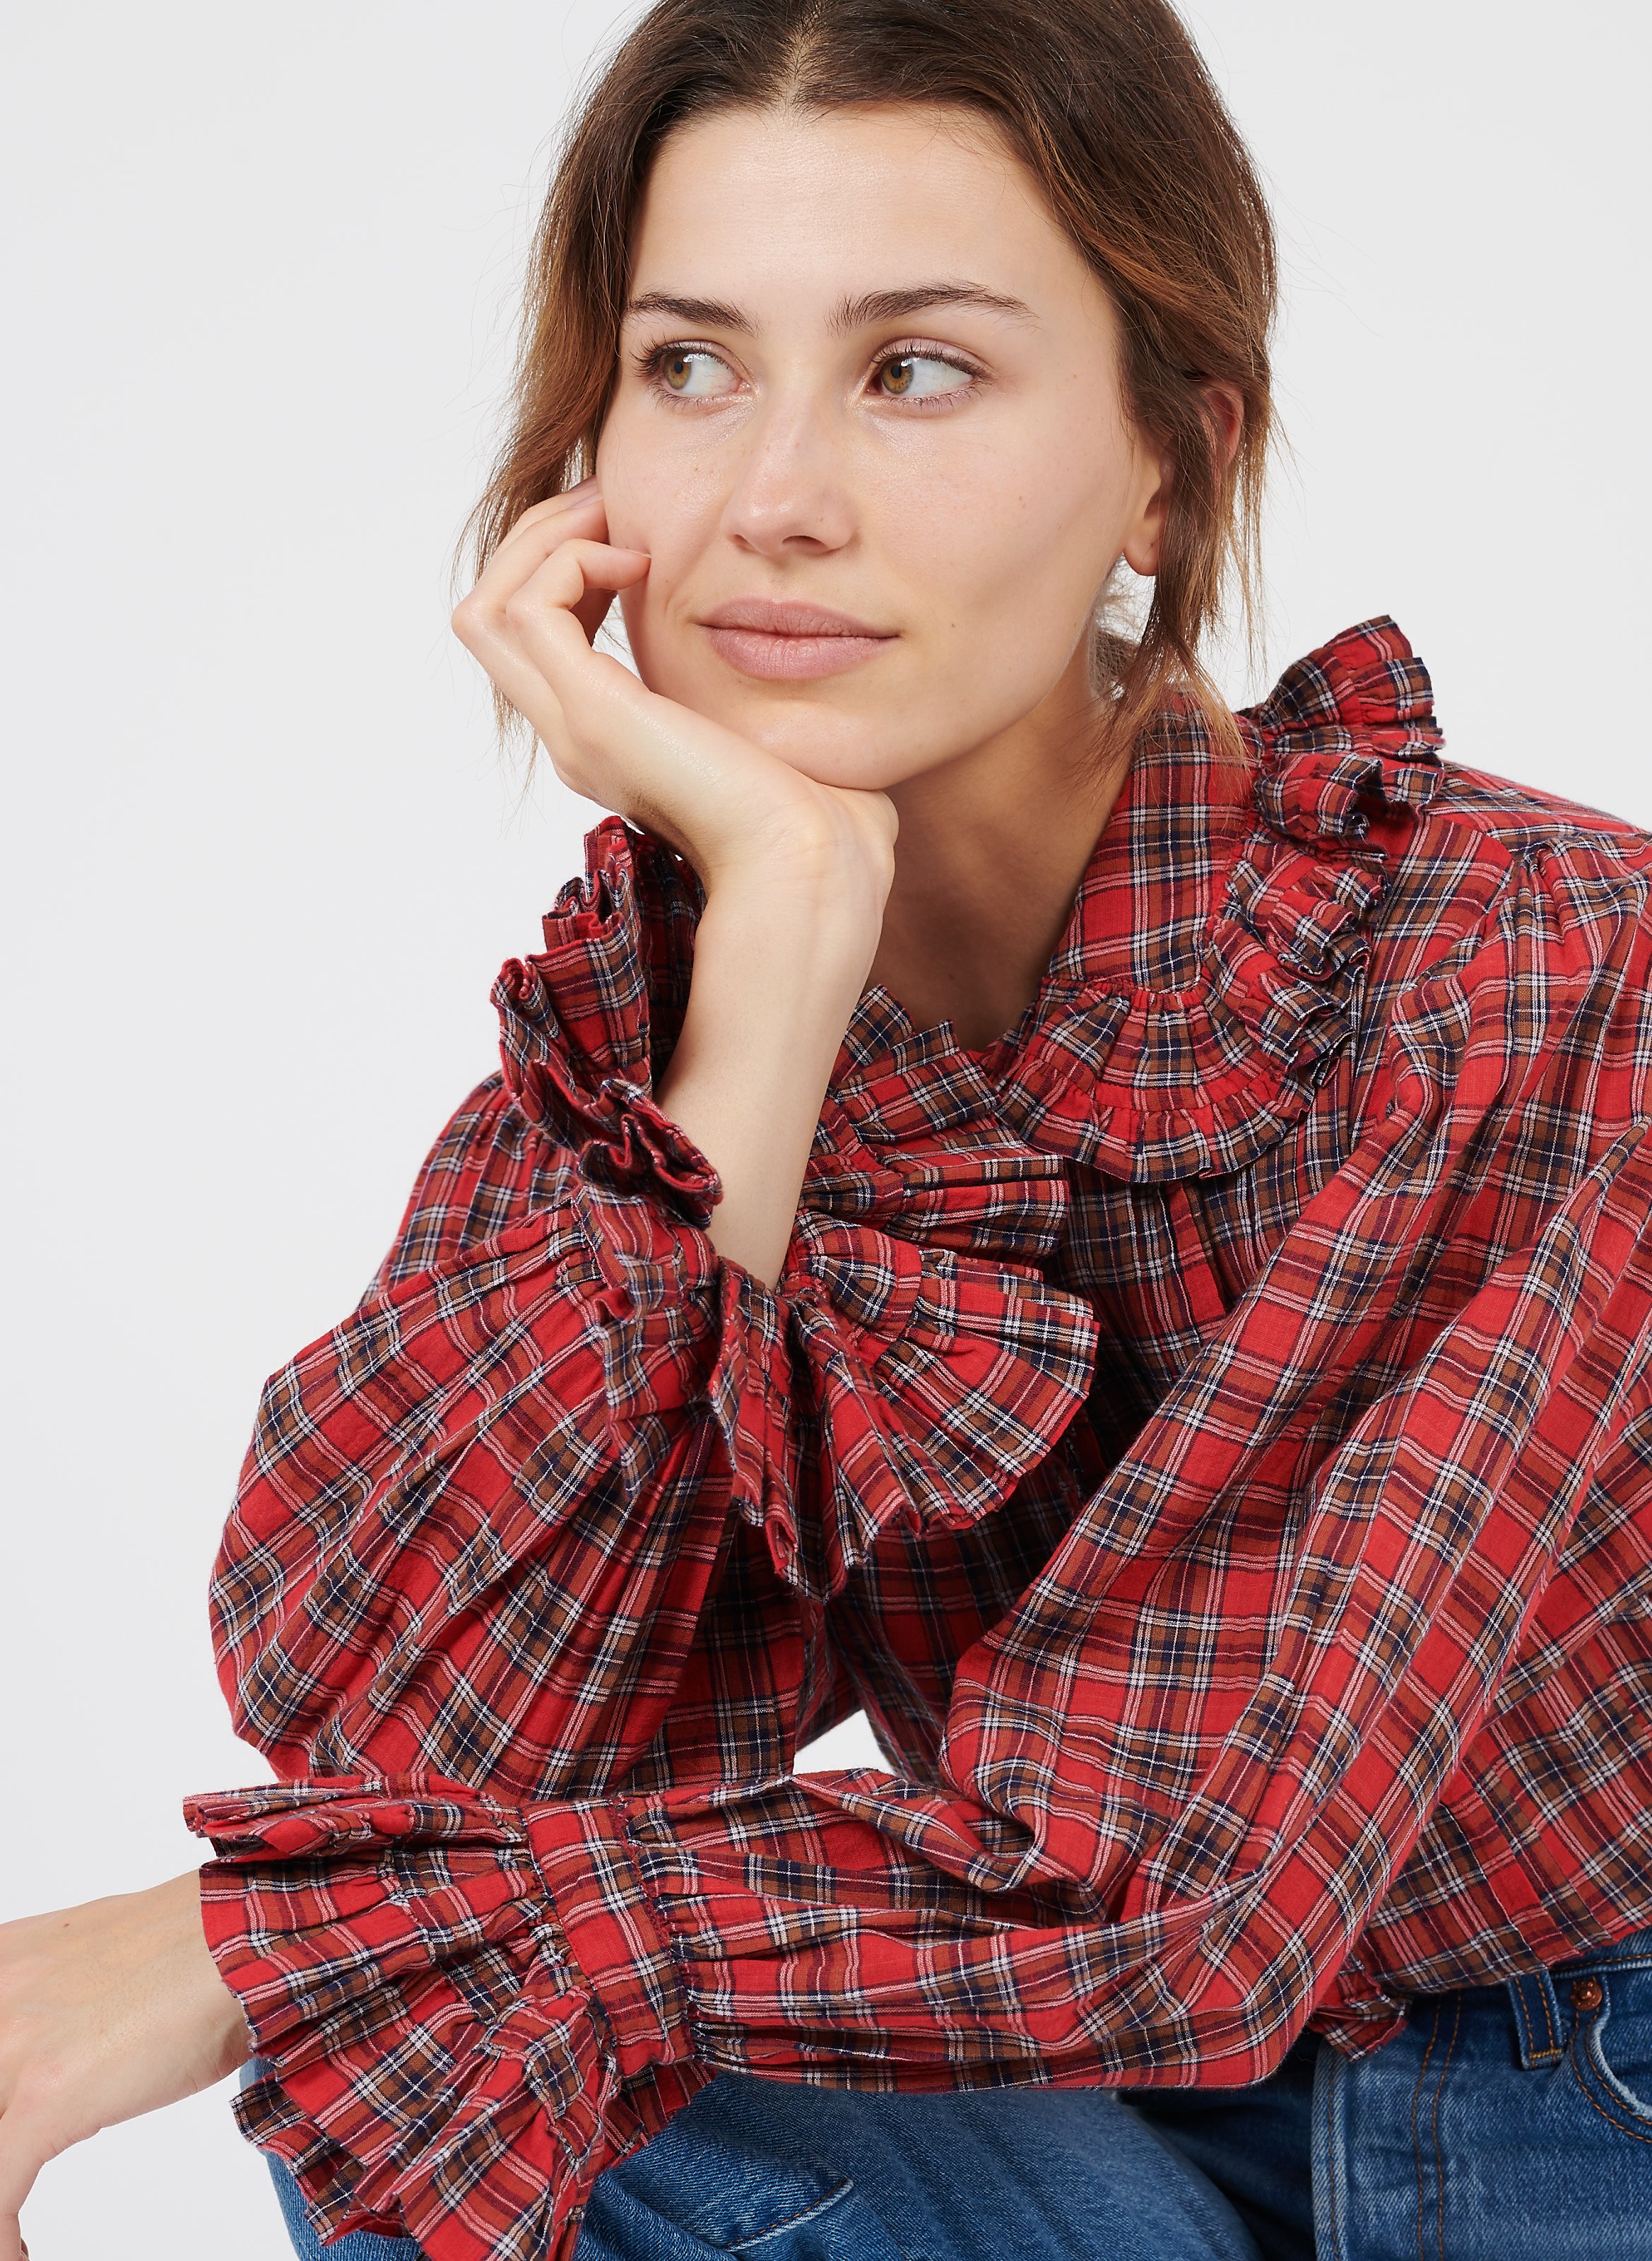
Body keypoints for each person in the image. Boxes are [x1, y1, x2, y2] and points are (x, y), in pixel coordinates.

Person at [5, 1, 1652, 2256]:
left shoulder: (1535, 967)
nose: (774, 497)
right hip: (1108, 2121)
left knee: (393, 1982)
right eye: (689, 365)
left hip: (1586, 2115)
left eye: (915, 369)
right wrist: (777, 943)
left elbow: (1192, 1890)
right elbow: (418, 1746)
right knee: (429, 2059)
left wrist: (246, 1945)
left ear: (1170, 466)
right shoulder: (671, 1026)